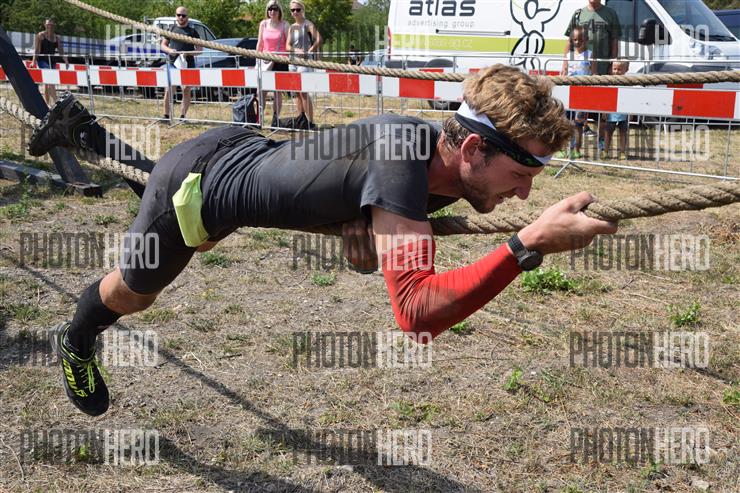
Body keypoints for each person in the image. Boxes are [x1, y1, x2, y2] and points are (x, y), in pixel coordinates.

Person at [27, 65, 618, 417]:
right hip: (200, 184)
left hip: (240, 152)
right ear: (471, 148)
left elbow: (368, 223)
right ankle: (76, 338)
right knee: (135, 292)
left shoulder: (432, 167)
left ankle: (86, 133)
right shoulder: (400, 162)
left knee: (180, 211)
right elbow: (417, 313)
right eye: (519, 175)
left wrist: (356, 232)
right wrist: (526, 245)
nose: (522, 195)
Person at [564, 0, 621, 154]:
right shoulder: (578, 14)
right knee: (576, 113)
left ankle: (601, 143)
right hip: (580, 77)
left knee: (602, 111)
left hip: (601, 71)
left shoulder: (611, 14)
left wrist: (611, 63)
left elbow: (615, 41)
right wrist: (564, 65)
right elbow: (569, 40)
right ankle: (573, 145)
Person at [558, 26, 595, 159]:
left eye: (581, 39)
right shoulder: (568, 55)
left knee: (578, 124)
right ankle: (562, 149)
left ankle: (576, 150)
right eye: (575, 40)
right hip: (568, 92)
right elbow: (563, 72)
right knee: (565, 123)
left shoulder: (590, 54)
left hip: (582, 94)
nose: (578, 42)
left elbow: (594, 74)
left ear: (587, 40)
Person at [161, 6, 202, 121]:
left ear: (187, 17)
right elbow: (163, 45)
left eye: (183, 15)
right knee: (169, 89)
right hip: (173, 63)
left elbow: (200, 50)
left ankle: (182, 116)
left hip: (188, 64)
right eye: (178, 15)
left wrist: (188, 53)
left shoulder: (193, 31)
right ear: (175, 16)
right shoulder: (171, 29)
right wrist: (170, 51)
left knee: (186, 89)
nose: (181, 17)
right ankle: (166, 116)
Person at [287, 0, 321, 130]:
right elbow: (287, 46)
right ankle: (301, 120)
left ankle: (311, 122)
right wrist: (296, 50)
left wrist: (309, 52)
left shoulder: (308, 24)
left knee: (304, 92)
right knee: (296, 93)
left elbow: (319, 39)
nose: (295, 12)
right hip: (292, 61)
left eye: (298, 9)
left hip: (304, 61)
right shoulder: (291, 27)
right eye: (293, 10)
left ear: (302, 10)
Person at [257, 0, 291, 127]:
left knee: (277, 92)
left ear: (279, 11)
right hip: (265, 60)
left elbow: (289, 44)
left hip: (280, 61)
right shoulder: (263, 24)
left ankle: (275, 120)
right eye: (270, 9)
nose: (272, 11)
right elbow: (260, 43)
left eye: (275, 9)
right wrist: (257, 58)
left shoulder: (285, 25)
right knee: (261, 92)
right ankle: (259, 119)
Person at [31, 18, 69, 106]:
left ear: (54, 26)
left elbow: (61, 51)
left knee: (47, 83)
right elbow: (37, 50)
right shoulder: (40, 35)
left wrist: (66, 61)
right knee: (50, 80)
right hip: (42, 61)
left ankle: (47, 105)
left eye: (51, 25)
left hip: (52, 61)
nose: (50, 26)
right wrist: (33, 61)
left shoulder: (57, 38)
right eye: (48, 24)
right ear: (45, 25)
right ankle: (57, 102)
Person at [603, 60, 630, 160]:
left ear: (626, 69)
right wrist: (604, 111)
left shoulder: (628, 83)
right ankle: (605, 151)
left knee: (623, 133)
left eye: (619, 69)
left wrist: (630, 112)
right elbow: (606, 98)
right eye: (614, 69)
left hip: (623, 113)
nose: (616, 71)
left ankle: (622, 152)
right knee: (608, 133)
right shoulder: (609, 82)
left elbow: (630, 98)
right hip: (611, 113)